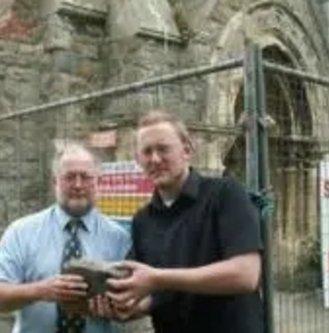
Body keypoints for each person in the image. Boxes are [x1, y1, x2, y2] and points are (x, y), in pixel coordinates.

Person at [105, 110, 264, 333]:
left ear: (187, 150)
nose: (155, 159)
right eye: (147, 151)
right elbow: (155, 293)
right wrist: (126, 307)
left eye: (163, 149)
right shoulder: (143, 221)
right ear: (138, 160)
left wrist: (158, 279)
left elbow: (245, 274)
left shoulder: (226, 194)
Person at [0, 142, 132, 333]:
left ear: (98, 182)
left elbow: (137, 302)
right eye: (69, 177)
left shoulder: (120, 238)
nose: (78, 185)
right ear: (55, 182)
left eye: (85, 177)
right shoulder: (21, 232)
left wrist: (116, 308)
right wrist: (41, 290)